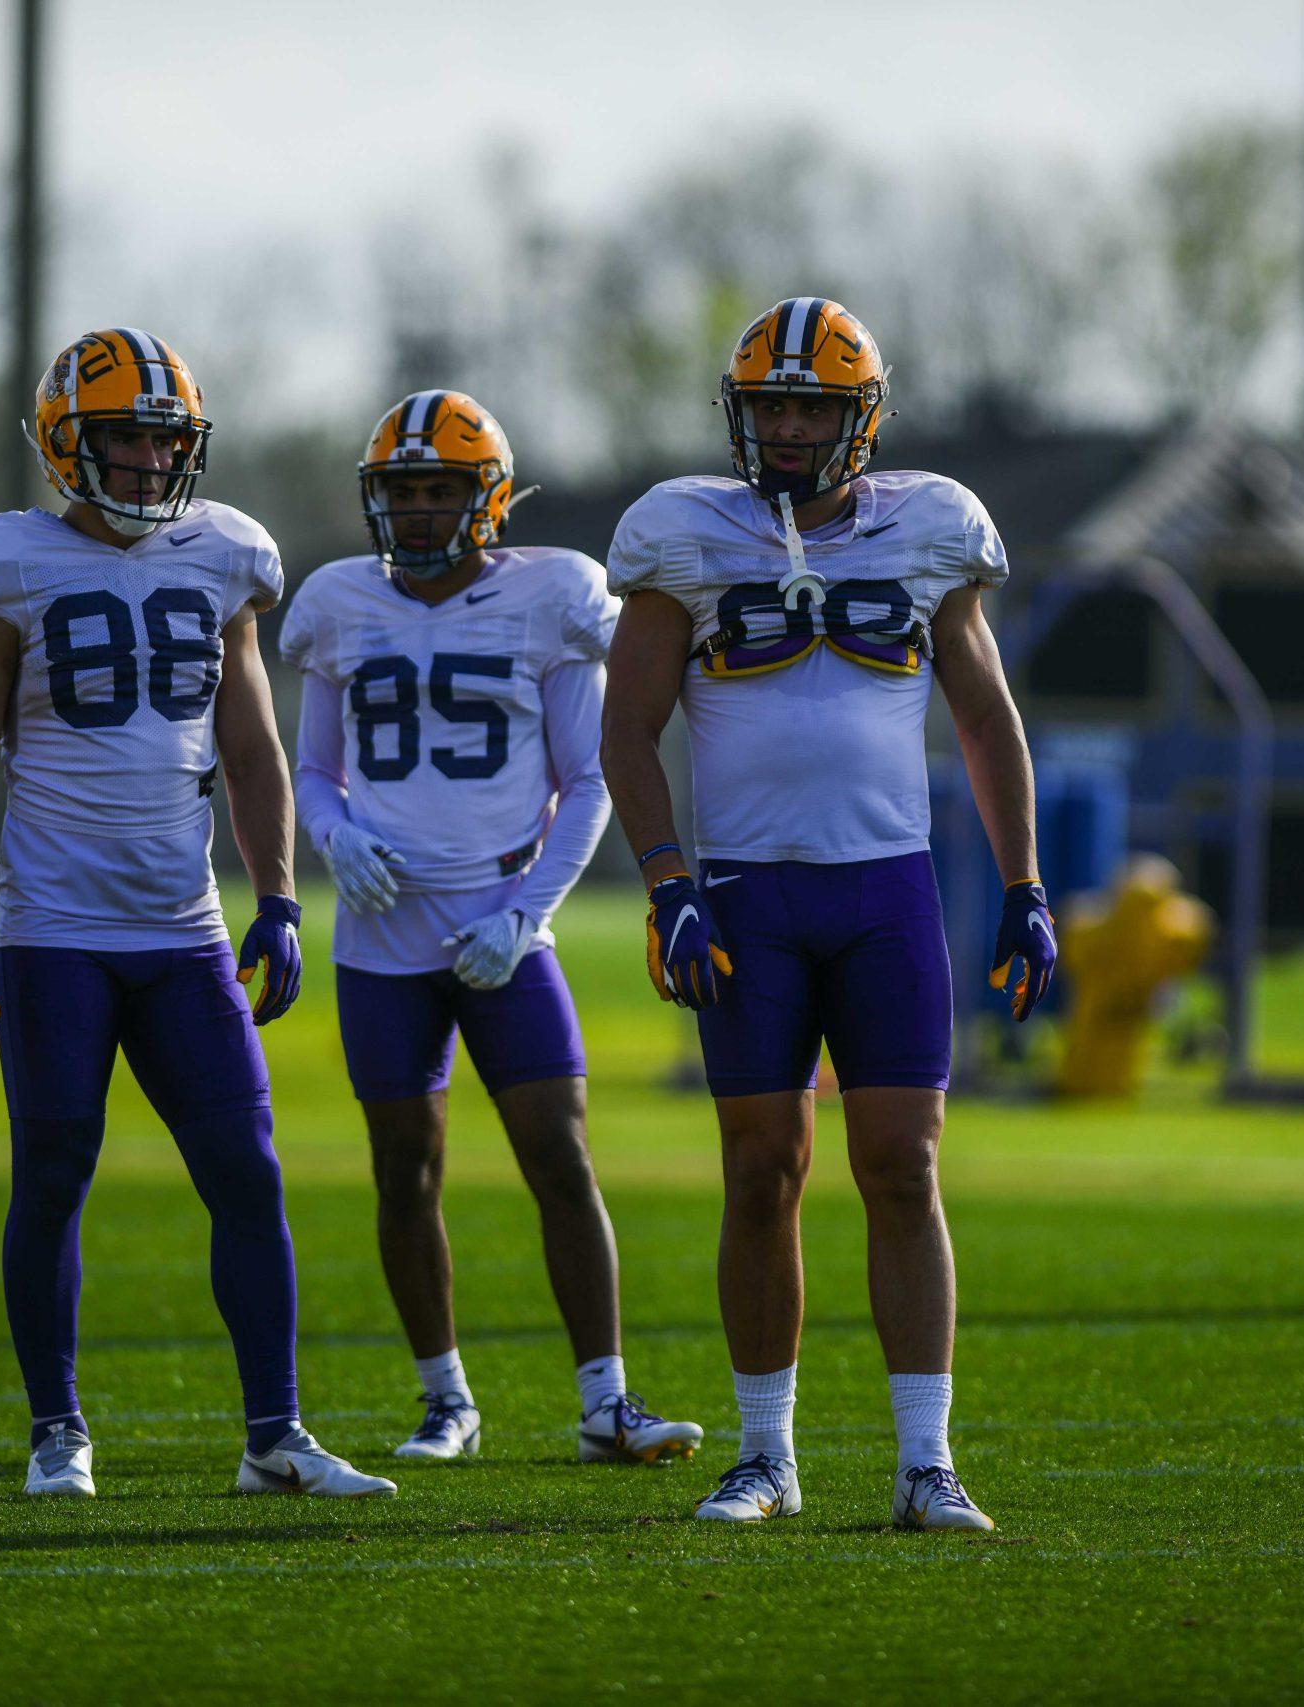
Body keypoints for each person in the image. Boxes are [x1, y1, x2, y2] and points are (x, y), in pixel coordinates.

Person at [598, 298, 1057, 1531]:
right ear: (741, 416)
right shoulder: (682, 533)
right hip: (747, 892)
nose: (791, 428)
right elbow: (625, 729)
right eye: (772, 407)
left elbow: (984, 718)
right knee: (761, 1173)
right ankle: (766, 1457)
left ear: (862, 419)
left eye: (813, 407)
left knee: (901, 1166)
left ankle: (925, 1463)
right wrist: (666, 882)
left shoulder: (929, 526)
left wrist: (1022, 885)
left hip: (884, 890)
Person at [0, 326, 393, 1502]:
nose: (142, 461)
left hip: (182, 932)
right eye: (121, 436)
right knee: (54, 1172)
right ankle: (57, 1431)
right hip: (53, 935)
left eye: (161, 438)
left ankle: (274, 1435)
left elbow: (252, 745)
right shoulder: (2, 567)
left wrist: (278, 897)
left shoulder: (224, 554)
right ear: (62, 443)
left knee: (248, 1171)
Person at [277, 389, 703, 1466]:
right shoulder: (337, 603)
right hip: (379, 942)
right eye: (403, 491)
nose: (419, 511)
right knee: (402, 1169)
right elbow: (315, 769)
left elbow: (591, 777)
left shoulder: (551, 595)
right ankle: (445, 1401)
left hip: (502, 929)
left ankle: (607, 1401)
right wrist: (332, 837)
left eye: (441, 489)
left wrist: (523, 917)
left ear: (490, 497)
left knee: (558, 1157)